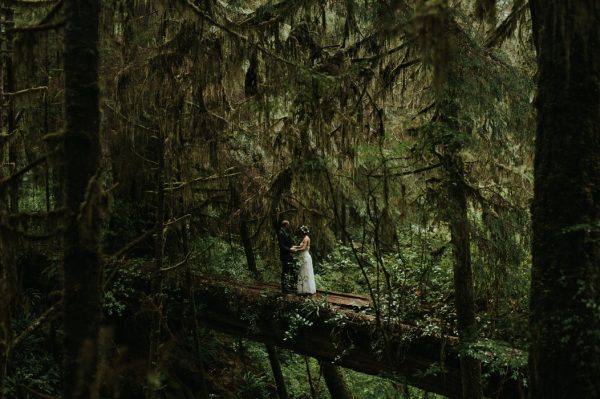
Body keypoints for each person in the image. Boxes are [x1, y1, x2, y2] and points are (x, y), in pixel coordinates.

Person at [292, 225, 316, 295]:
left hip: (305, 256)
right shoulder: (306, 238)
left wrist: (296, 250)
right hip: (304, 256)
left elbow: (304, 248)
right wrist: (296, 246)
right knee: (303, 271)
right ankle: (305, 289)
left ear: (303, 232)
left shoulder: (305, 239)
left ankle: (306, 290)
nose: (300, 233)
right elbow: (301, 246)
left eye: (301, 232)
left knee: (305, 272)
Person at [277, 220, 297, 293]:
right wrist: (290, 250)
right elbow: (282, 246)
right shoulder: (281, 233)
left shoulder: (284, 232)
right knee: (285, 271)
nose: (289, 226)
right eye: (288, 225)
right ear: (285, 225)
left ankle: (290, 286)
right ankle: (284, 288)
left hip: (288, 255)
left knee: (290, 270)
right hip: (285, 255)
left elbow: (287, 243)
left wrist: (292, 247)